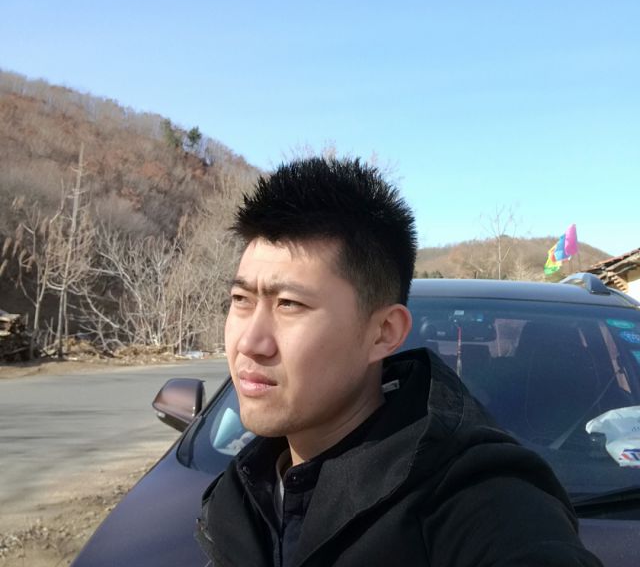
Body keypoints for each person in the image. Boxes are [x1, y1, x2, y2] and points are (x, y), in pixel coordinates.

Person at [196, 157, 602, 567]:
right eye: (241, 299)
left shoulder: (477, 499)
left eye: (289, 304)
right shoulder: (242, 494)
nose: (249, 342)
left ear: (384, 332)